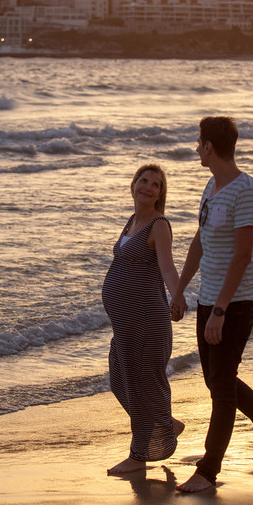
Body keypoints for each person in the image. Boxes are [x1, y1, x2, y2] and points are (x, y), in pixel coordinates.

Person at [171, 116, 253, 493]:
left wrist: (221, 310)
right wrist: (179, 290)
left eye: (198, 143)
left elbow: (242, 257)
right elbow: (201, 240)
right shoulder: (211, 186)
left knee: (221, 386)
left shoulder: (247, 191)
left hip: (237, 303)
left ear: (209, 147)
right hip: (209, 300)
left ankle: (208, 470)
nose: (195, 149)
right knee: (216, 380)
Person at [102, 164, 184, 475]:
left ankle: (138, 457)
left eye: (156, 185)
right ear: (133, 184)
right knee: (120, 382)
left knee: (141, 385)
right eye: (143, 181)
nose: (147, 187)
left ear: (161, 194)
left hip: (147, 322)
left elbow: (167, 268)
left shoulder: (158, 225)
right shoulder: (133, 221)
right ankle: (166, 423)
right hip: (126, 325)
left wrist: (177, 297)